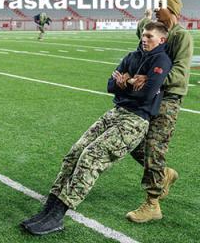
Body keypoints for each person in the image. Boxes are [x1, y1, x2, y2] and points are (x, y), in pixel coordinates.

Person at [22, 22, 172, 236]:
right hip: (116, 112)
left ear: (162, 40)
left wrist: (124, 83)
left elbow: (147, 95)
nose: (144, 39)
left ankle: (57, 216)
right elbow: (110, 85)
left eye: (149, 36)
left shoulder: (161, 60)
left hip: (136, 120)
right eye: (143, 35)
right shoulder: (132, 56)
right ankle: (49, 209)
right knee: (75, 153)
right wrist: (130, 83)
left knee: (92, 157)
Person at [127, 0, 193, 223]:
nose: (156, 10)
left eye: (160, 7)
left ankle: (152, 203)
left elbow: (180, 72)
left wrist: (151, 78)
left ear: (172, 9)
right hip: (148, 96)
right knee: (133, 141)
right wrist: (143, 19)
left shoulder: (181, 36)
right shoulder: (156, 28)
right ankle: (164, 174)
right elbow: (142, 31)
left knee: (154, 148)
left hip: (168, 99)